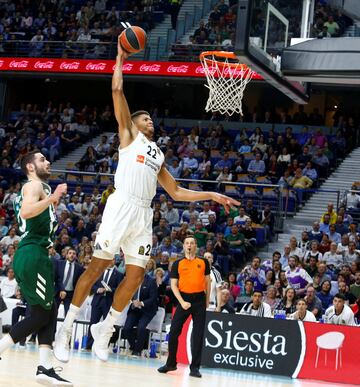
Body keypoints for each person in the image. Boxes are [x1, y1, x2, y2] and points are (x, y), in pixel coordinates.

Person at [54, 39, 240, 364]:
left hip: (144, 214)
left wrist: (210, 194)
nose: (150, 121)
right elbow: (116, 92)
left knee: (137, 275)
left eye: (152, 120)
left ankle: (106, 330)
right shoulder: (128, 136)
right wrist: (119, 58)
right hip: (121, 205)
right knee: (98, 266)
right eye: (146, 119)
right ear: (135, 123)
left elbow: (177, 192)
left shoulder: (157, 153)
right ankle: (65, 328)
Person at [0, 151, 72, 385]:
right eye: (42, 159)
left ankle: (45, 367)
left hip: (37, 254)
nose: (48, 161)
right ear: (30, 167)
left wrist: (53, 199)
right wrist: (53, 199)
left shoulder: (41, 188)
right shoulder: (32, 186)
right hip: (32, 254)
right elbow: (26, 212)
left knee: (49, 311)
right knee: (41, 313)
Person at [158, 235, 210, 378]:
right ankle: (171, 363)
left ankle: (195, 367)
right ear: (183, 246)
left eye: (192, 243)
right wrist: (182, 302)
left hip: (199, 300)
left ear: (195, 246)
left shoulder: (204, 262)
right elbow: (173, 285)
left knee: (198, 335)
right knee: (174, 331)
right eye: (187, 243)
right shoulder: (178, 263)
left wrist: (206, 301)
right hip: (183, 299)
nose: (189, 245)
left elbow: (208, 282)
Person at [85, 259, 123, 351]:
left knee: (108, 325)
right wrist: (97, 290)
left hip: (109, 302)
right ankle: (88, 346)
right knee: (93, 323)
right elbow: (92, 285)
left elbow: (119, 290)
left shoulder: (119, 274)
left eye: (112, 259)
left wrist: (110, 290)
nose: (110, 261)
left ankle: (104, 347)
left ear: (115, 261)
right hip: (97, 301)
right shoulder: (98, 272)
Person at [123, 273, 158, 357]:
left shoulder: (151, 281)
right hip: (134, 308)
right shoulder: (132, 279)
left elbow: (153, 298)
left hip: (147, 309)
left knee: (141, 327)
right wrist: (132, 301)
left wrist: (141, 303)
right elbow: (128, 293)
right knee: (126, 328)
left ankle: (137, 351)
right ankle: (135, 347)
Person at [54, 248, 84, 315]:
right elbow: (56, 278)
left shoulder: (79, 268)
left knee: (68, 314)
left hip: (70, 294)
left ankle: (67, 325)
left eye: (74, 253)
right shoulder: (59, 263)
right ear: (66, 255)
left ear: (76, 256)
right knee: (53, 313)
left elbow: (79, 282)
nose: (72, 255)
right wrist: (62, 289)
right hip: (58, 291)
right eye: (70, 253)